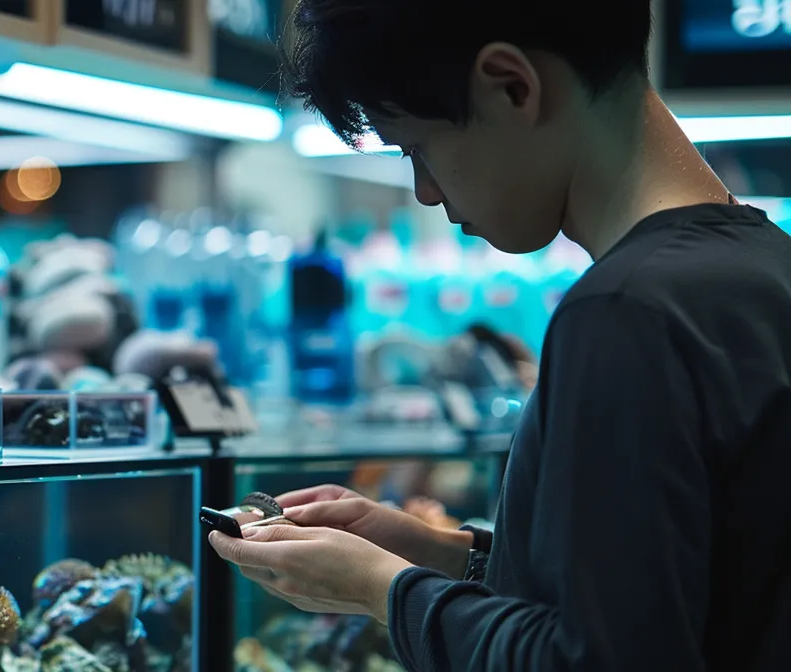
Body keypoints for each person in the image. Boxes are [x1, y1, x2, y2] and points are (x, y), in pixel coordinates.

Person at [207, 1, 791, 670]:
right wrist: (438, 554)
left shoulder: (626, 311)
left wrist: (381, 588)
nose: (425, 191)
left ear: (511, 85)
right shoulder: (764, 267)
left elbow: (596, 659)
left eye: (416, 148)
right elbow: (694, 595)